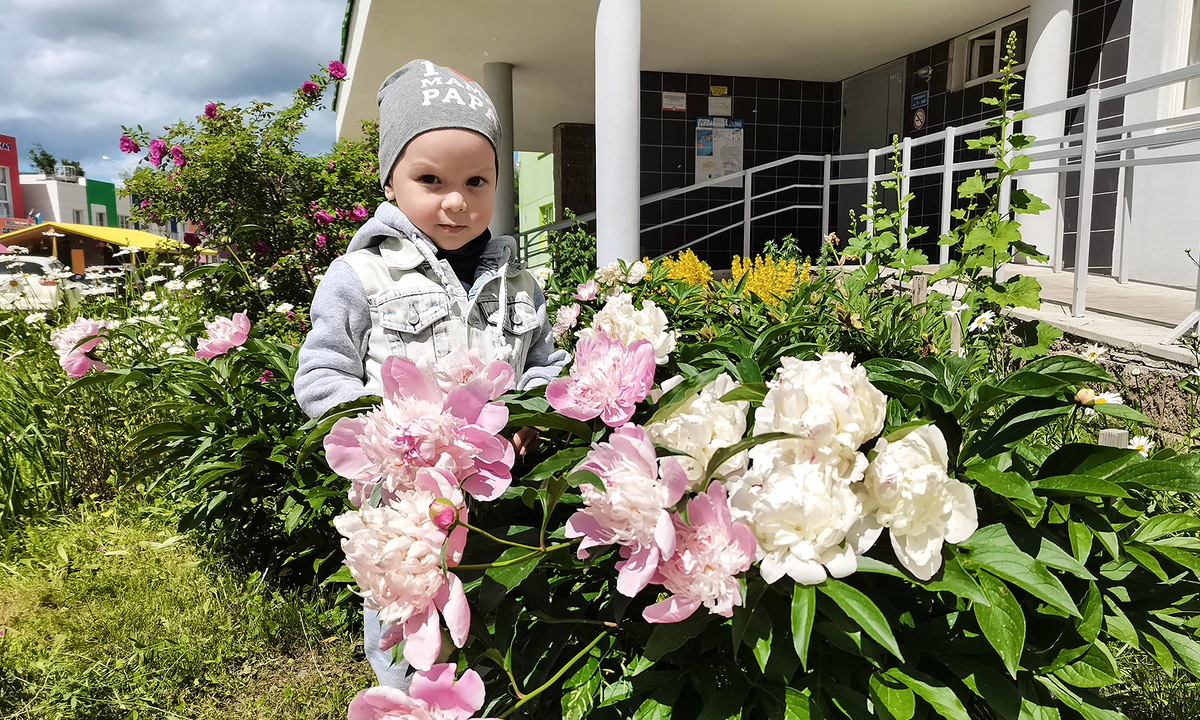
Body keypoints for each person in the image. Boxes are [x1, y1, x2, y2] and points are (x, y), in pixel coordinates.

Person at [294, 58, 569, 688]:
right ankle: (405, 700)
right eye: (430, 179)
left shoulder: (520, 282)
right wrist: (393, 434)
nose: (456, 201)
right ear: (390, 181)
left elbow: (543, 367)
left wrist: (527, 419)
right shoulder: (359, 276)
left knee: (503, 628)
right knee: (406, 627)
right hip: (402, 510)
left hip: (505, 502)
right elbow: (320, 377)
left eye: (477, 180)